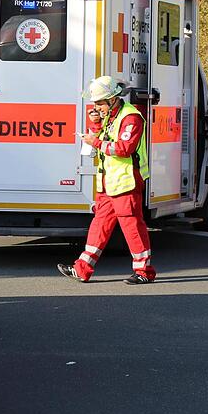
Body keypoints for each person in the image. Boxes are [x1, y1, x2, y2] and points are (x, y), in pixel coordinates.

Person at [58, 76, 154, 284]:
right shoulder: (110, 117)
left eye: (100, 103)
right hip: (110, 183)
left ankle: (144, 271)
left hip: (126, 182)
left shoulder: (131, 118)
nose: (96, 107)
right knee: (99, 225)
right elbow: (100, 138)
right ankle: (82, 269)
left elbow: (123, 148)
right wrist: (95, 124)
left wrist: (96, 142)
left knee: (132, 227)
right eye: (95, 103)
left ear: (113, 99)